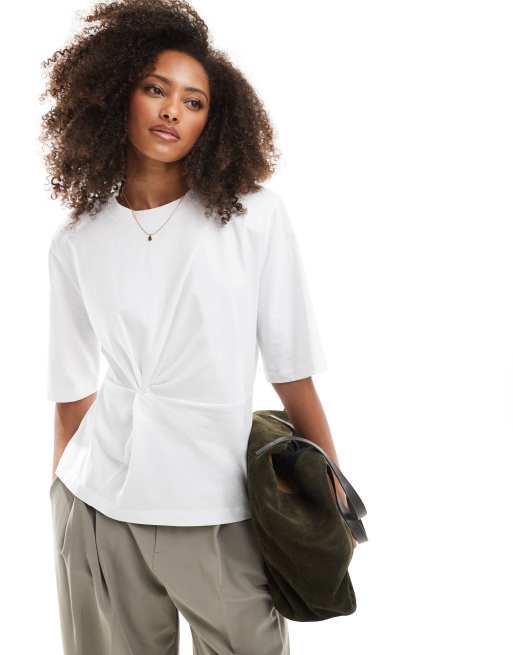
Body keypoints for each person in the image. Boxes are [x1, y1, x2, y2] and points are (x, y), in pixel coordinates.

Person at [41, 1, 356, 653]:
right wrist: (60, 499)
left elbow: (292, 371)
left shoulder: (253, 219)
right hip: (98, 508)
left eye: (193, 101)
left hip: (218, 509)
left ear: (215, 120)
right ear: (116, 93)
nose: (171, 112)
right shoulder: (77, 240)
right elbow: (70, 392)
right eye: (155, 89)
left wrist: (335, 497)